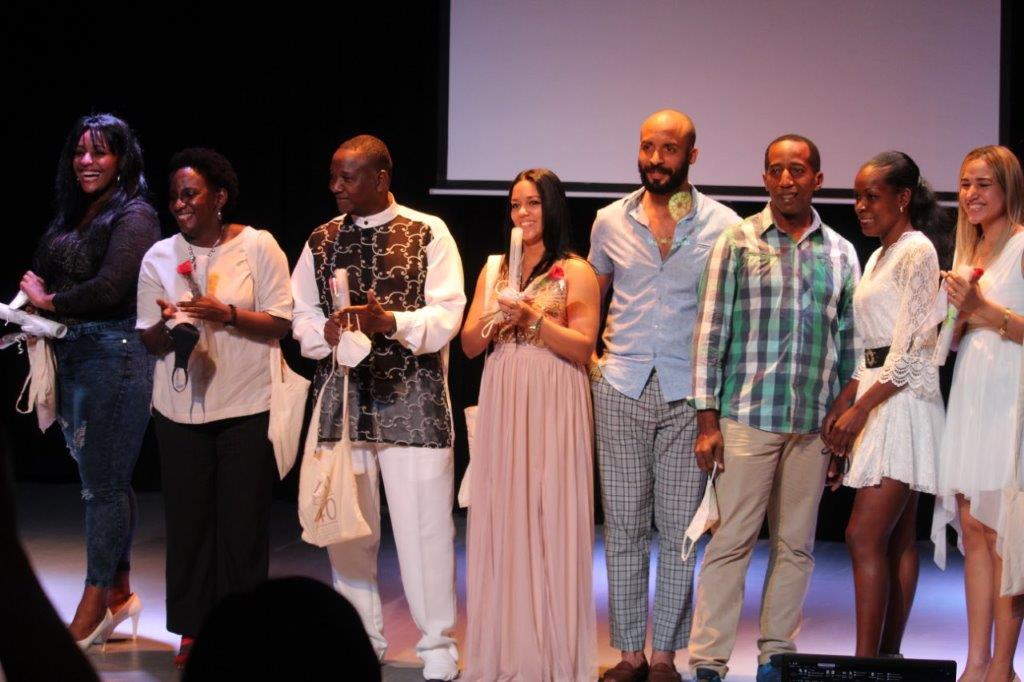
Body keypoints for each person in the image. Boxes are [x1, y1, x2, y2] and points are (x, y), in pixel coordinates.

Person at [291, 135, 465, 682]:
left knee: (425, 531)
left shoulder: (427, 231)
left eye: (347, 177)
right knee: (347, 530)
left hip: (413, 402)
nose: (335, 187)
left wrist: (391, 322)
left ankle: (437, 644)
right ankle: (361, 640)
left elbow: (449, 312)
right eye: (333, 176)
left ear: (381, 178)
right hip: (342, 402)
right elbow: (300, 313)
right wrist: (322, 332)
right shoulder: (321, 238)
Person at [689, 135, 860, 682]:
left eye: (798, 169)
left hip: (812, 426)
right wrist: (707, 417)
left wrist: (844, 422)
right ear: (765, 178)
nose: (787, 179)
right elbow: (710, 331)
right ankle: (708, 661)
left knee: (796, 548)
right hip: (746, 418)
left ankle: (776, 657)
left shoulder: (841, 252)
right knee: (731, 542)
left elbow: (851, 343)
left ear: (818, 179)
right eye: (777, 170)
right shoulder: (737, 241)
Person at [588, 109, 740, 682]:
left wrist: (714, 401)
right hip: (621, 386)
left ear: (691, 156)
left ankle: (664, 657)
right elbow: (591, 295)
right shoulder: (610, 220)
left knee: (680, 532)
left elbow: (729, 312)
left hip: (687, 395)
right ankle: (630, 653)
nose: (656, 159)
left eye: (669, 149)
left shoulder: (723, 225)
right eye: (648, 147)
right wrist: (595, 363)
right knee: (624, 526)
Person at [137, 148, 293, 668]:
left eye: (191, 194)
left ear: (219, 197)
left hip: (246, 402)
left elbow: (281, 322)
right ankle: (193, 628)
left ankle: (243, 630)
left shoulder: (257, 245)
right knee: (188, 522)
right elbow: (148, 340)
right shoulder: (159, 256)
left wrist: (225, 314)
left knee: (243, 525)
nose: (180, 204)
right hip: (179, 409)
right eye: (174, 196)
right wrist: (168, 325)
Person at [19, 114, 159, 649]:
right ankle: (119, 593)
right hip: (73, 351)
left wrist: (50, 300)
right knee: (104, 480)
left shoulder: (136, 214)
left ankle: (95, 600)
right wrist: (32, 305)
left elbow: (111, 287)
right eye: (80, 152)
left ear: (122, 160)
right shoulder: (76, 212)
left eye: (99, 152)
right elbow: (45, 272)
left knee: (102, 486)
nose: (86, 161)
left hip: (115, 353)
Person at [460, 168, 600, 681]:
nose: (523, 213)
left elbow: (583, 347)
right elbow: (469, 345)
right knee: (506, 512)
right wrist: (497, 316)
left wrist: (533, 320)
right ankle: (509, 652)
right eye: (516, 204)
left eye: (533, 203)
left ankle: (554, 656)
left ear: (553, 207)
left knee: (551, 511)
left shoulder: (575, 270)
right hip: (504, 390)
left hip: (554, 392)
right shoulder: (496, 268)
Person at [823, 151, 946, 657]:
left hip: (903, 402)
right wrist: (846, 397)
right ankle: (889, 657)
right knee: (895, 540)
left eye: (872, 196)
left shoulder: (917, 250)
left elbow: (912, 349)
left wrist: (861, 409)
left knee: (863, 535)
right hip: (879, 393)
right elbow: (873, 346)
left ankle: (866, 662)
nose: (860, 206)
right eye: (857, 197)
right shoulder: (877, 256)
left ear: (903, 198)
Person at [931, 145, 1024, 682]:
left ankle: (1003, 666)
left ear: (1008, 188)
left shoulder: (1022, 245)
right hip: (971, 394)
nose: (971, 194)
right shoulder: (969, 252)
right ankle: (976, 662)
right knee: (972, 527)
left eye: (983, 184)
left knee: (1004, 531)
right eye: (966, 183)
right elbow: (951, 342)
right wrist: (953, 318)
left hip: (1009, 397)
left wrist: (984, 310)